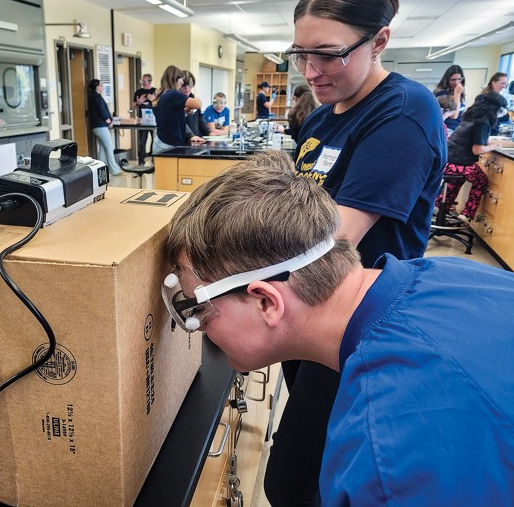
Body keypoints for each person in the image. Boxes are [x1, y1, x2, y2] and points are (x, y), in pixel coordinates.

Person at [161, 153, 514, 507]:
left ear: (267, 302)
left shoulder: (381, 458)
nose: (201, 330)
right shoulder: (450, 273)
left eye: (201, 310)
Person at [267, 0, 447, 505]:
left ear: (379, 41)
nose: (310, 71)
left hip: (360, 326)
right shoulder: (325, 115)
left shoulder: (404, 113)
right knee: (303, 449)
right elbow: (296, 206)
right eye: (301, 53)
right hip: (309, 308)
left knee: (298, 479)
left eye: (328, 54)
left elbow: (337, 237)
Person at [434, 92, 509, 224]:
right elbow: (477, 149)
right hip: (460, 165)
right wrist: (494, 145)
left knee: (456, 180)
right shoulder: (483, 124)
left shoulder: (470, 117)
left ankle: (439, 205)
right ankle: (467, 213)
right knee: (480, 180)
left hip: (447, 163)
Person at [152, 66, 206, 153]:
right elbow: (198, 104)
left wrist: (183, 113)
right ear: (175, 80)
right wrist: (196, 97)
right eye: (182, 81)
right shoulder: (173, 94)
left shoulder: (162, 94)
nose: (182, 84)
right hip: (167, 145)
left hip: (163, 142)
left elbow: (169, 117)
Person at [87, 79, 121, 175]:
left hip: (97, 126)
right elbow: (101, 110)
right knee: (109, 147)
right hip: (100, 126)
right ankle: (114, 170)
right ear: (97, 87)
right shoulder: (96, 97)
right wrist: (108, 120)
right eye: (101, 85)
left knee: (102, 149)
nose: (102, 87)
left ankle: (101, 170)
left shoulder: (95, 96)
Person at [434, 64, 466, 134]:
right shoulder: (441, 93)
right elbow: (453, 115)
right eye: (453, 80)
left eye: (459, 79)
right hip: (447, 128)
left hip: (457, 128)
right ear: (447, 80)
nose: (457, 82)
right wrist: (457, 94)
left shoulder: (459, 92)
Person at [132, 73, 156, 164]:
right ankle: (141, 162)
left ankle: (154, 161)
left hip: (154, 120)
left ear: (149, 81)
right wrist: (139, 102)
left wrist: (152, 100)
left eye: (144, 81)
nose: (142, 82)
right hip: (142, 120)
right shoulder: (138, 92)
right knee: (142, 142)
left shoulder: (155, 91)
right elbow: (133, 106)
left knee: (154, 141)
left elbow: (160, 104)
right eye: (142, 80)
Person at [180, 70, 210, 138]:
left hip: (196, 138)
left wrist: (208, 133)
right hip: (184, 138)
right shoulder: (177, 100)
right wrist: (191, 136)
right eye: (183, 85)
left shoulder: (194, 99)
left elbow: (200, 118)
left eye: (190, 85)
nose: (187, 88)